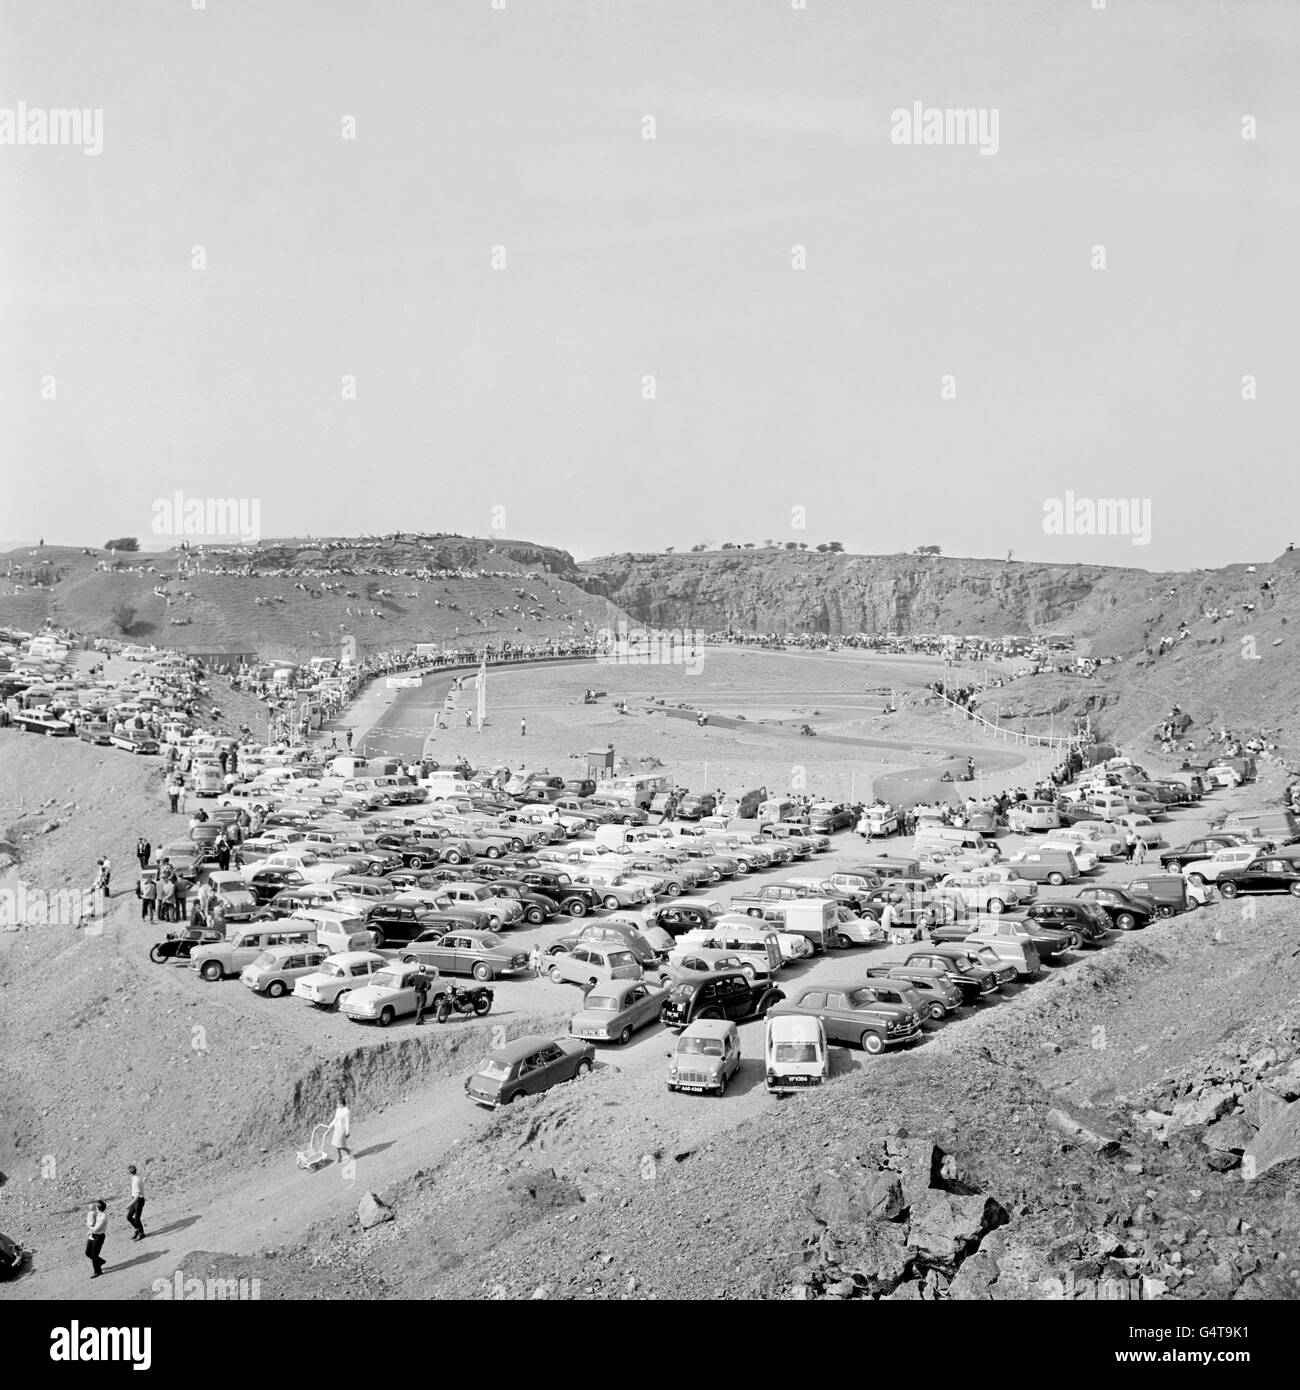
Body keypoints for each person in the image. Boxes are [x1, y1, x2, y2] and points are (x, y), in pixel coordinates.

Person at [85, 1200, 107, 1278]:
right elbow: (93, 1224)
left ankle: (98, 1271)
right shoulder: (97, 1214)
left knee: (94, 1255)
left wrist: (87, 1225)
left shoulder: (103, 1217)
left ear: (98, 1207)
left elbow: (96, 1229)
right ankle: (100, 1261)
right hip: (93, 1235)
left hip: (99, 1237)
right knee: (88, 1253)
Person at [329, 1095, 352, 1167]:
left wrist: (347, 1131)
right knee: (336, 1144)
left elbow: (347, 1122)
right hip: (337, 1128)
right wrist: (330, 1125)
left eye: (338, 1103)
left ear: (342, 1104)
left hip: (342, 1129)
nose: (337, 1105)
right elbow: (335, 1119)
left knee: (340, 1144)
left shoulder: (346, 1111)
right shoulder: (338, 1110)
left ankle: (348, 1151)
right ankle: (339, 1157)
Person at [126, 1165, 146, 1241]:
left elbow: (137, 1195)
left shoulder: (136, 1181)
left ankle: (142, 1233)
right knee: (129, 1217)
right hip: (136, 1200)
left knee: (137, 1219)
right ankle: (137, 1229)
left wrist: (129, 1204)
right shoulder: (135, 1178)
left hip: (138, 1200)